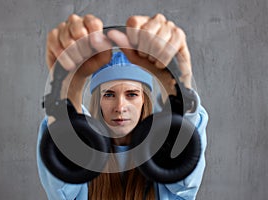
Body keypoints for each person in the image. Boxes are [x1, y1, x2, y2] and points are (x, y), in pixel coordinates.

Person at [37, 13, 208, 200]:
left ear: (144, 99)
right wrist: (70, 86)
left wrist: (175, 84)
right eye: (109, 94)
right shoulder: (84, 158)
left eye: (132, 94)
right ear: (98, 101)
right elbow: (62, 188)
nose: (120, 107)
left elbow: (184, 183)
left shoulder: (162, 161)